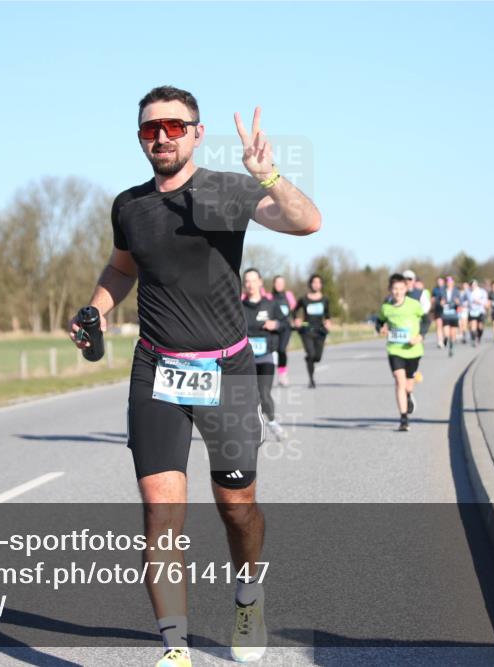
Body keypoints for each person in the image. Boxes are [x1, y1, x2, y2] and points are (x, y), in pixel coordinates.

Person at [71, 86, 321, 667]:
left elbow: (307, 222)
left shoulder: (227, 190)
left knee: (237, 506)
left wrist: (267, 175)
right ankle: (175, 648)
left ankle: (248, 595)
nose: (161, 136)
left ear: (197, 133)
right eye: (150, 128)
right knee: (160, 512)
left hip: (227, 371)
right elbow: (121, 267)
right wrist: (98, 308)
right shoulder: (129, 206)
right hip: (156, 369)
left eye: (174, 127)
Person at [243, 268, 288, 441]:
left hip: (266, 356)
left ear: (260, 282)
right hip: (245, 358)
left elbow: (285, 324)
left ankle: (273, 422)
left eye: (253, 280)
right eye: (247, 281)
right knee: (245, 395)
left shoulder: (271, 305)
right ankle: (251, 427)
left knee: (263, 393)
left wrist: (275, 324)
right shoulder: (239, 307)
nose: (250, 284)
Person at [377, 273, 426, 432]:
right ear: (390, 290)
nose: (397, 292)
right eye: (394, 289)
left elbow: (426, 320)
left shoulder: (414, 305)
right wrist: (381, 328)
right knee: (399, 381)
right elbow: (379, 321)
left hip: (413, 350)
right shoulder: (386, 307)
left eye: (400, 288)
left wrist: (420, 336)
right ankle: (404, 419)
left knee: (408, 385)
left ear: (406, 289)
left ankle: (409, 395)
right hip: (395, 349)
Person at [293, 274, 331, 389]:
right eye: (314, 282)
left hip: (320, 331)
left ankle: (309, 359)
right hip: (307, 330)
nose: (316, 284)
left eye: (318, 282)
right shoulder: (304, 299)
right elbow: (294, 311)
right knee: (311, 354)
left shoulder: (325, 300)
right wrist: (296, 319)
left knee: (317, 357)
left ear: (321, 285)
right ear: (310, 284)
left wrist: (328, 322)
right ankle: (311, 380)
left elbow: (327, 315)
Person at [269, 275, 296, 387]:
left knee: (281, 349)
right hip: (274, 328)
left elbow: (294, 310)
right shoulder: (269, 296)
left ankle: (282, 375)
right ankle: (269, 375)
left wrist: (295, 320)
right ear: (274, 284)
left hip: (286, 328)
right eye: (277, 283)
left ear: (284, 284)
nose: (279, 285)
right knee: (273, 350)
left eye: (281, 283)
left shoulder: (288, 295)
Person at [438, 276, 462, 357]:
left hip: (454, 315)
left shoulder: (456, 291)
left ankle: (451, 347)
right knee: (446, 333)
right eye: (448, 282)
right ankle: (445, 339)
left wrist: (458, 302)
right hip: (445, 314)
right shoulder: (442, 291)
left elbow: (460, 302)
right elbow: (438, 301)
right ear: (446, 283)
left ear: (453, 282)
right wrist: (441, 303)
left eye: (450, 281)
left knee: (453, 333)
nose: (449, 283)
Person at [467, 279, 488, 346]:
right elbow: (465, 301)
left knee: (480, 327)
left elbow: (485, 301)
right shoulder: (468, 292)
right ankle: (474, 339)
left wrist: (478, 302)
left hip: (481, 311)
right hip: (472, 312)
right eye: (471, 285)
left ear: (476, 285)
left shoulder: (482, 291)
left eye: (474, 285)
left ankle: (479, 337)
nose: (473, 286)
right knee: (473, 327)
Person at [431, 276, 446, 349]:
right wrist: (432, 301)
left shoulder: (446, 288)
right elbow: (432, 298)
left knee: (445, 326)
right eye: (438, 281)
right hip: (437, 309)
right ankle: (440, 341)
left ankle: (445, 338)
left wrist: (444, 301)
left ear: (443, 282)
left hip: (446, 310)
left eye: (440, 281)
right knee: (438, 325)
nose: (439, 282)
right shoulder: (435, 289)